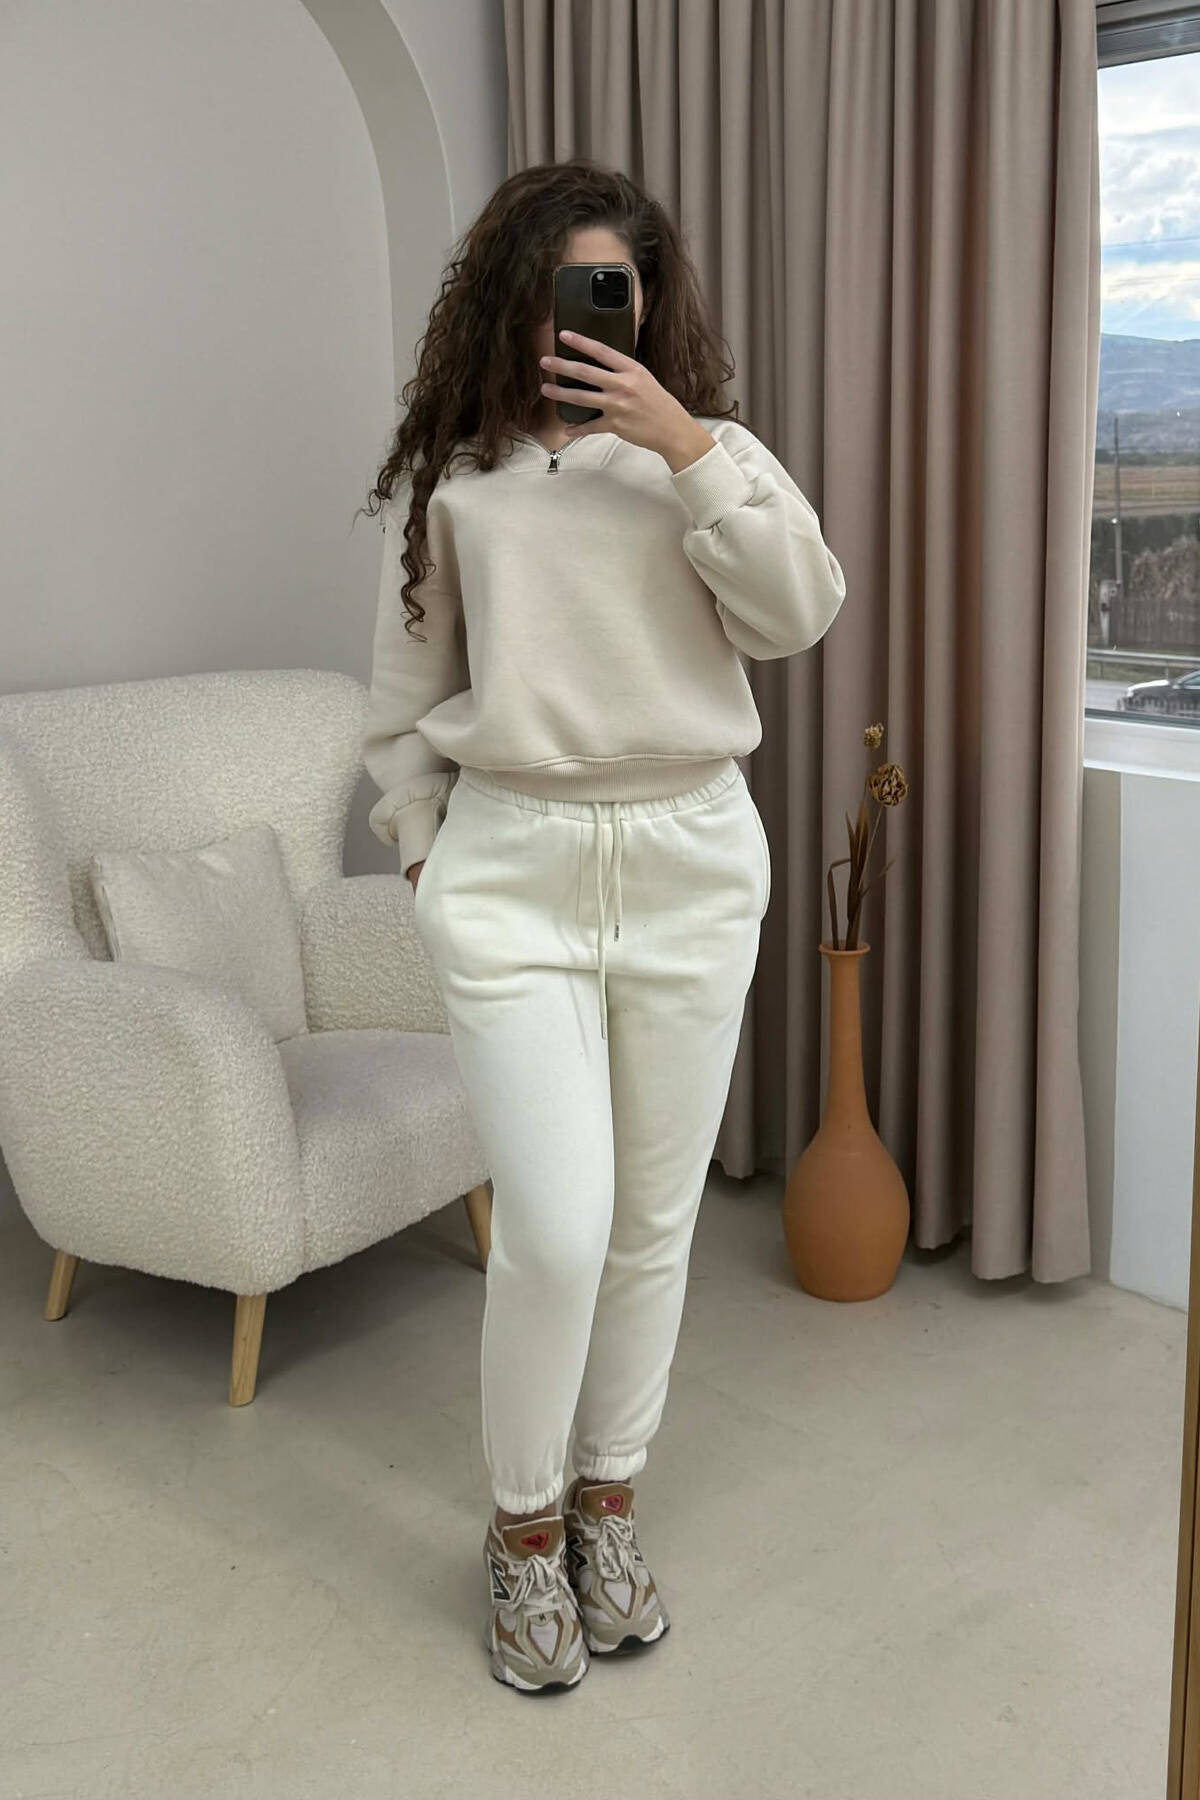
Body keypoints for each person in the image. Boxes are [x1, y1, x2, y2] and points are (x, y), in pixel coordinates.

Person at [361, 158, 846, 1694]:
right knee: (558, 1228)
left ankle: (605, 1504)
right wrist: (427, 850)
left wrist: (685, 447)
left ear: (649, 304)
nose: (583, 319)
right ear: (512, 299)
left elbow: (799, 612)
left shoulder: (715, 458)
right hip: (513, 871)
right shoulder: (459, 483)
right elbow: (402, 702)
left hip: (693, 859)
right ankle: (522, 1529)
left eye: (613, 294)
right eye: (560, 288)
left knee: (651, 1224)